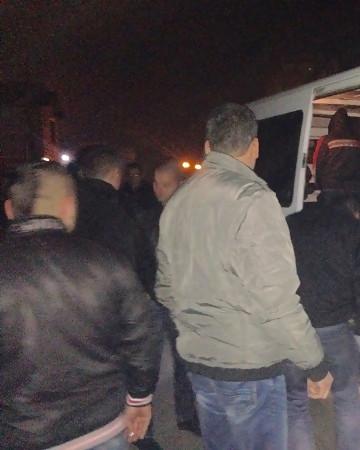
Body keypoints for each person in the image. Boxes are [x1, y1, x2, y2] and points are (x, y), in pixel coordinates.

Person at [155, 103, 333, 450]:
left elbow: (165, 288)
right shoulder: (253, 199)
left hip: (200, 364)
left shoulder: (177, 202)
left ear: (208, 147)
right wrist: (315, 364)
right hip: (249, 369)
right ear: (254, 146)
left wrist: (200, 327)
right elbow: (275, 300)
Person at [0, 162, 162, 450]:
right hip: (101, 426)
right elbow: (143, 336)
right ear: (68, 206)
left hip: (21, 434)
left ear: (9, 209)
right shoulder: (106, 263)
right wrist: (139, 398)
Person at [285, 194, 360, 450]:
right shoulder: (359, 232)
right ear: (355, 212)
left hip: (293, 327)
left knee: (295, 401)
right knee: (346, 397)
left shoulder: (291, 224)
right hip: (336, 328)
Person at [144, 159, 202, 436]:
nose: (158, 190)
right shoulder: (149, 215)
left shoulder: (188, 217)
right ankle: (147, 422)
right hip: (156, 299)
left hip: (179, 300)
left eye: (165, 184)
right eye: (156, 183)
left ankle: (186, 414)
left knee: (183, 360)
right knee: (150, 364)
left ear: (180, 185)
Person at [73, 145, 156, 295]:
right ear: (116, 173)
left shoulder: (70, 205)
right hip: (114, 294)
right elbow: (143, 259)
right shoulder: (124, 209)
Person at [313, 108, 360, 201]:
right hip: (354, 187)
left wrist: (319, 183)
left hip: (331, 186)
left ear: (332, 124)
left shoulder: (325, 140)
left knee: (331, 210)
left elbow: (318, 163)